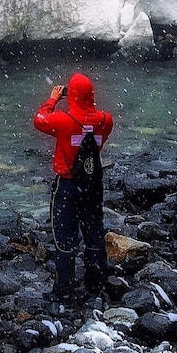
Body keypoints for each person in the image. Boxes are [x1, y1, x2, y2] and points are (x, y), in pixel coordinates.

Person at [33, 72, 114, 305]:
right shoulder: (105, 120)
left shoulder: (63, 121)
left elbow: (39, 119)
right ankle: (95, 284)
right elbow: (96, 135)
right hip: (92, 183)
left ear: (72, 96)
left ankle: (64, 292)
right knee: (94, 232)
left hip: (67, 184)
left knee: (64, 238)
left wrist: (52, 99)